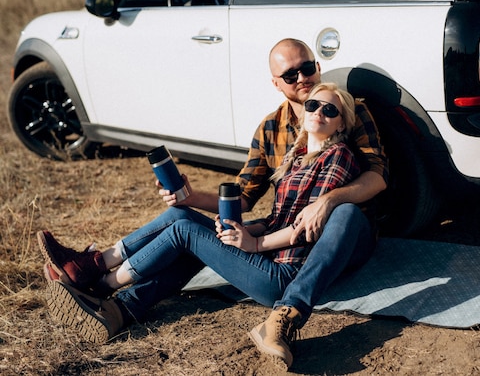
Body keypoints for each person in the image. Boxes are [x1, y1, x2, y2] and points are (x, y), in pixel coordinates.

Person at [41, 39, 388, 368]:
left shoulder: (345, 121)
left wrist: (322, 203)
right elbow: (247, 197)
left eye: (308, 67)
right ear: (276, 84)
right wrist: (198, 203)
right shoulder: (277, 135)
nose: (302, 79)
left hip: (341, 236)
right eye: (290, 75)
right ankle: (114, 301)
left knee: (341, 211)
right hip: (277, 245)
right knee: (183, 218)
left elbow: (375, 177)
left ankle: (99, 282)